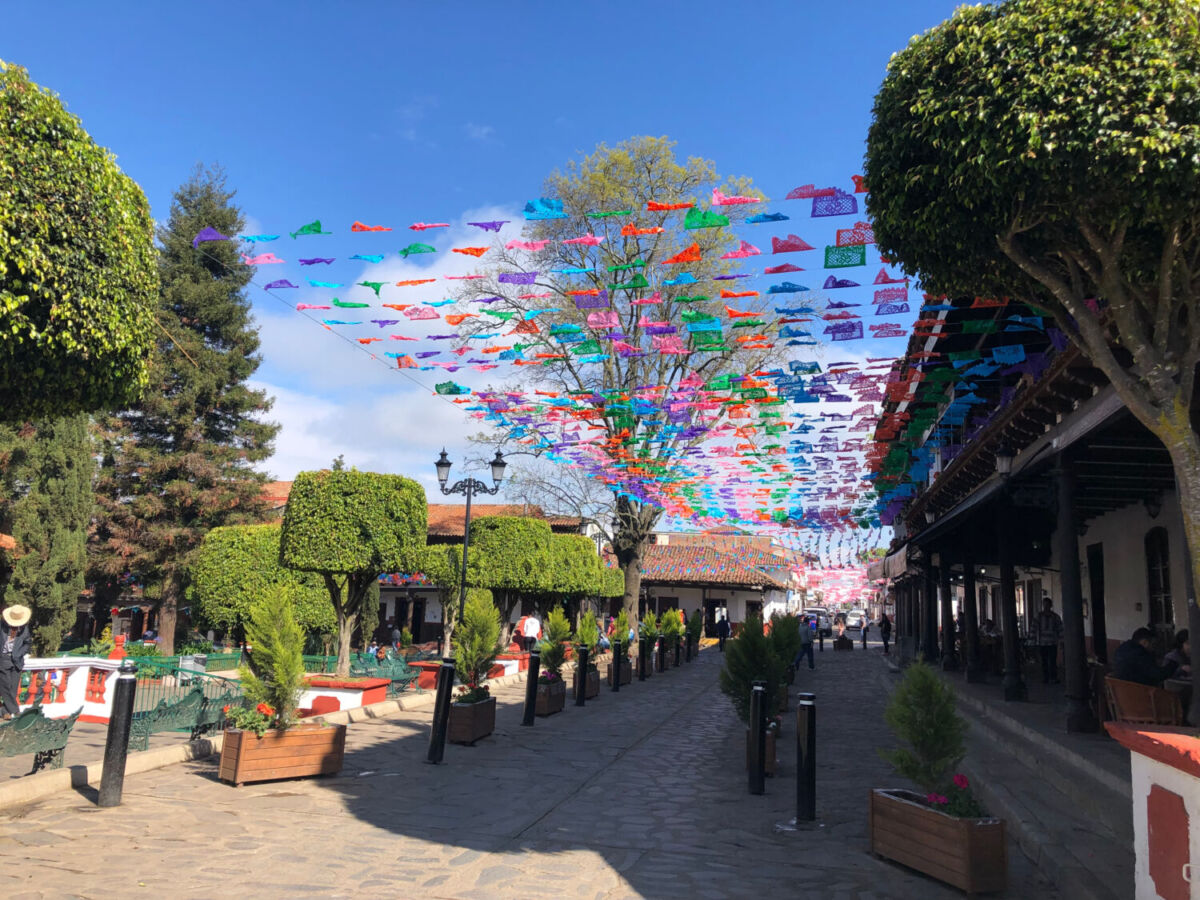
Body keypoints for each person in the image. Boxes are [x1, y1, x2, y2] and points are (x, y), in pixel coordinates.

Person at [1113, 627, 1190, 686]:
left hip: (1122, 693)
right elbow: (1158, 675)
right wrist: (1174, 664)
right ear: (1145, 642)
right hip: (1140, 695)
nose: (1153, 648)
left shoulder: (1122, 649)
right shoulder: (1140, 654)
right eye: (1153, 644)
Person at [0, 605, 33, 719]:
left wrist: (20, 653)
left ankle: (5, 712)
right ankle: (16, 711)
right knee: (5, 686)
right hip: (3, 659)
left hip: (17, 661)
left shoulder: (24, 629)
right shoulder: (1, 627)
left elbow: (28, 643)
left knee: (13, 688)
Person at [1033, 596, 1064, 684]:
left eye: (1047, 605)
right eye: (1044, 604)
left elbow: (1060, 629)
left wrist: (1061, 641)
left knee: (1053, 661)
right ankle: (1046, 677)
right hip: (1042, 643)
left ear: (1050, 605)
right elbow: (1033, 629)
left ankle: (1053, 677)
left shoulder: (1055, 617)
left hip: (1053, 643)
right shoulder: (1038, 616)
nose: (1046, 606)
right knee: (1044, 662)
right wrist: (1032, 642)